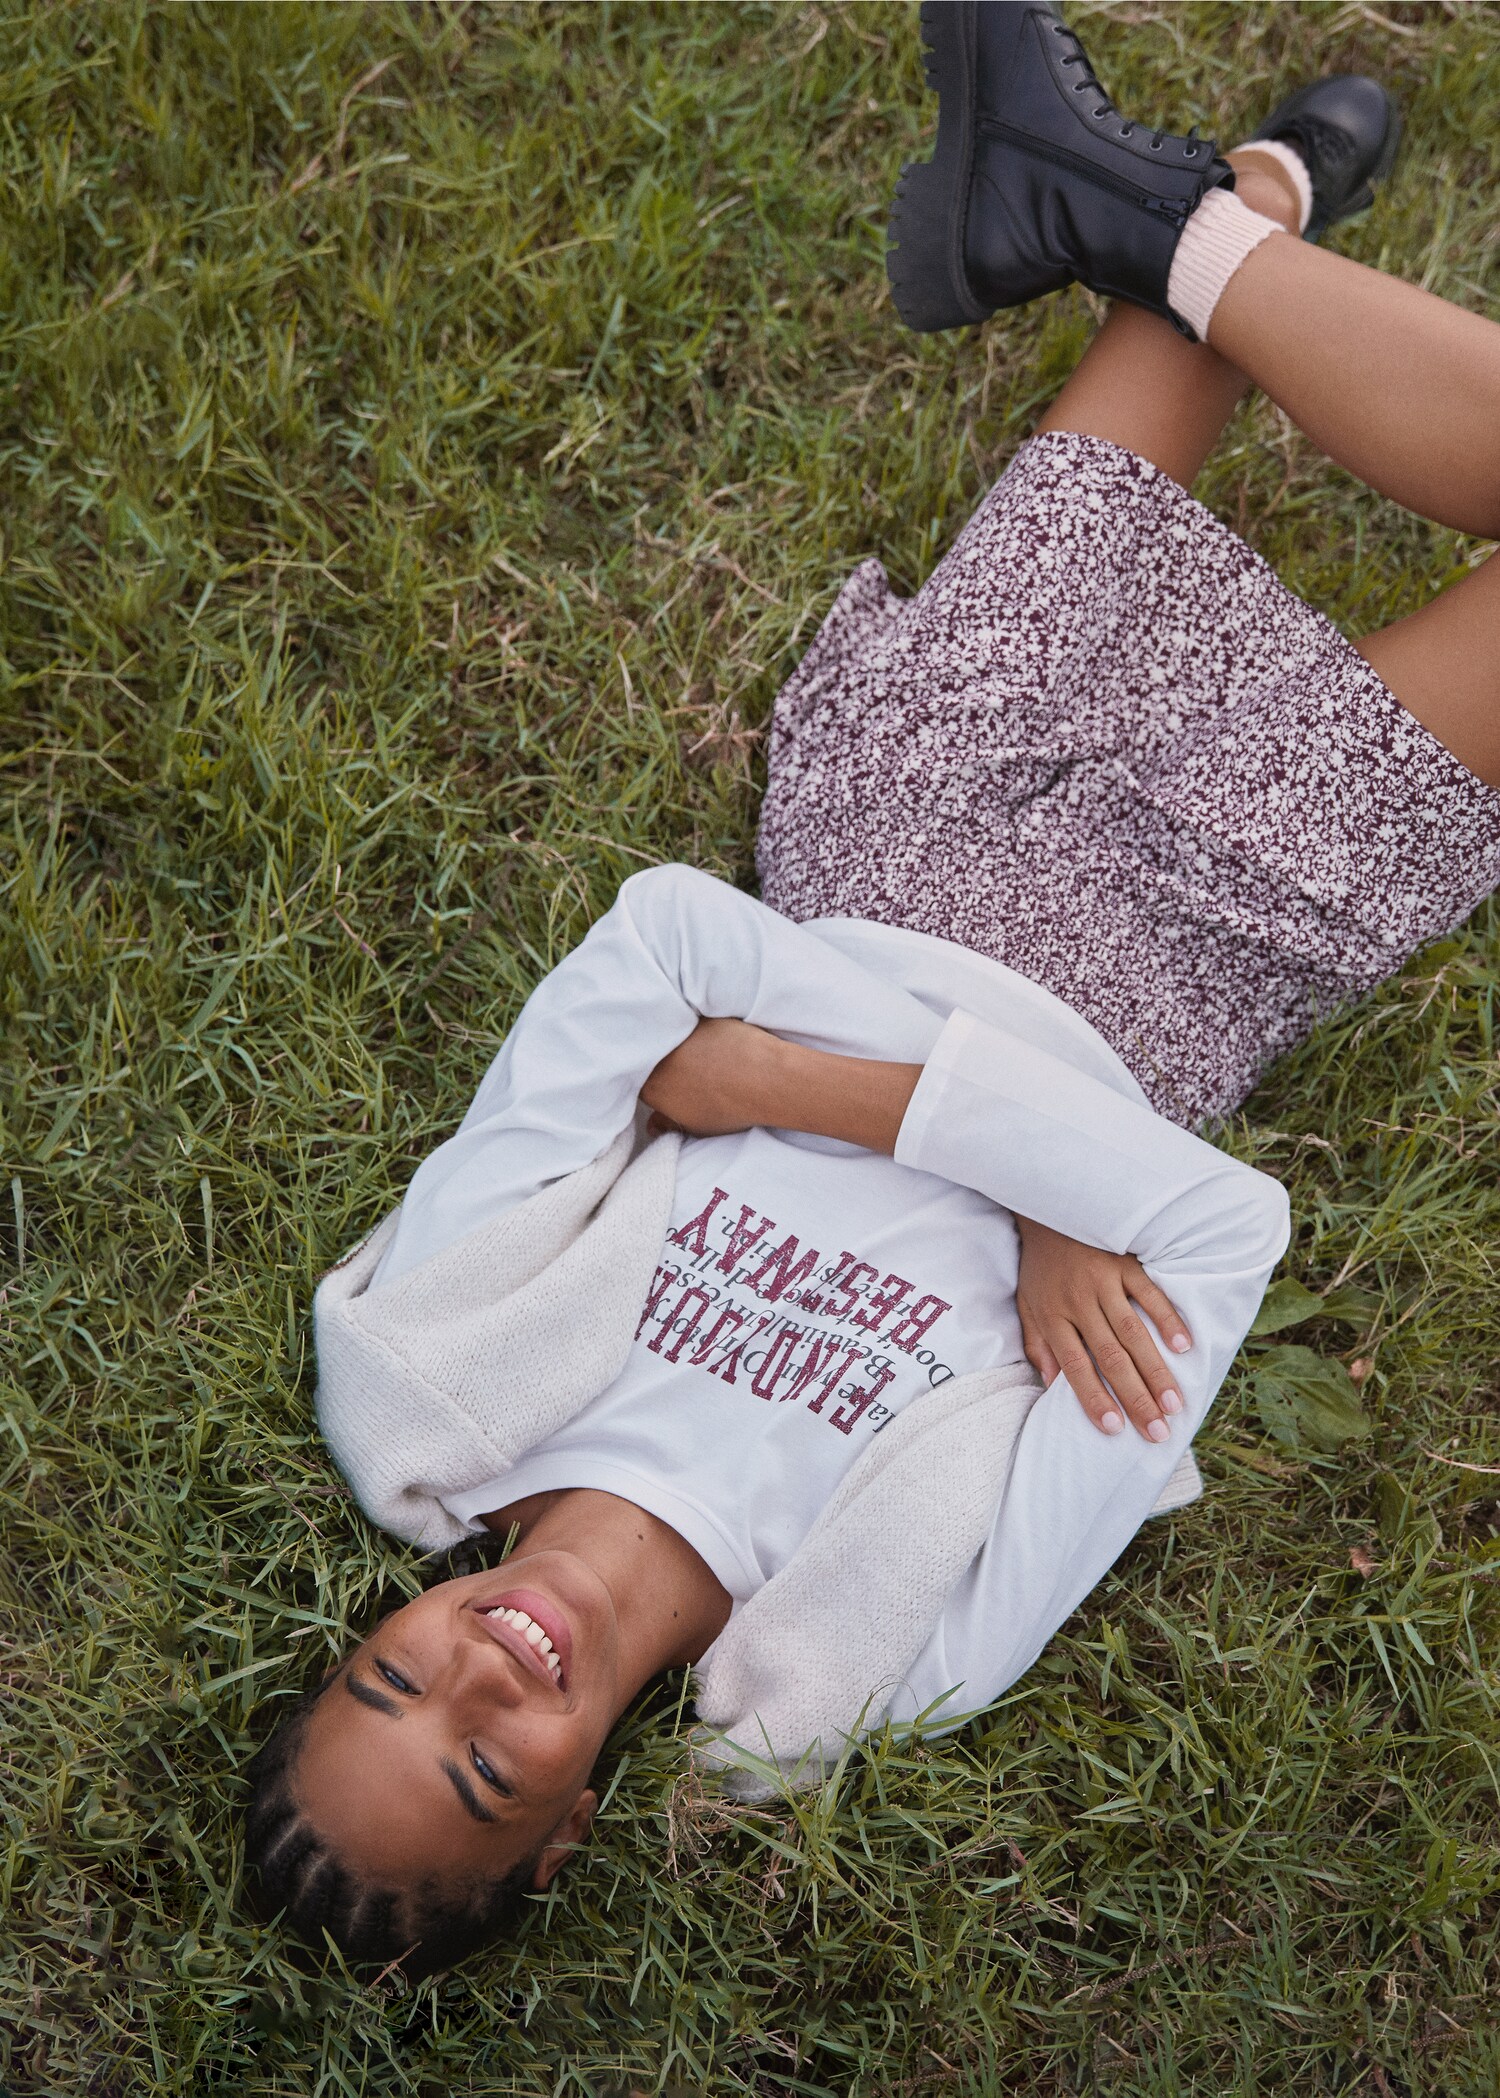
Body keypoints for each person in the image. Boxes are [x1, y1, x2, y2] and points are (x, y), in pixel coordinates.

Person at [244, 2, 1500, 1975]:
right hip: (1196, 950)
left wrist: (990, 1159)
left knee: (1186, 348)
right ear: (571, 1828)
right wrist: (775, 1087)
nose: (482, 1675)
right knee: (1206, 296)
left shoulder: (429, 1374)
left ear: (368, 1631)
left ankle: (1233, 204)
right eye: (490, 1768)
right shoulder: (876, 1656)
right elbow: (1227, 1221)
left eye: (397, 1682)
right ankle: (1167, 206)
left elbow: (659, 938)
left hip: (915, 823)